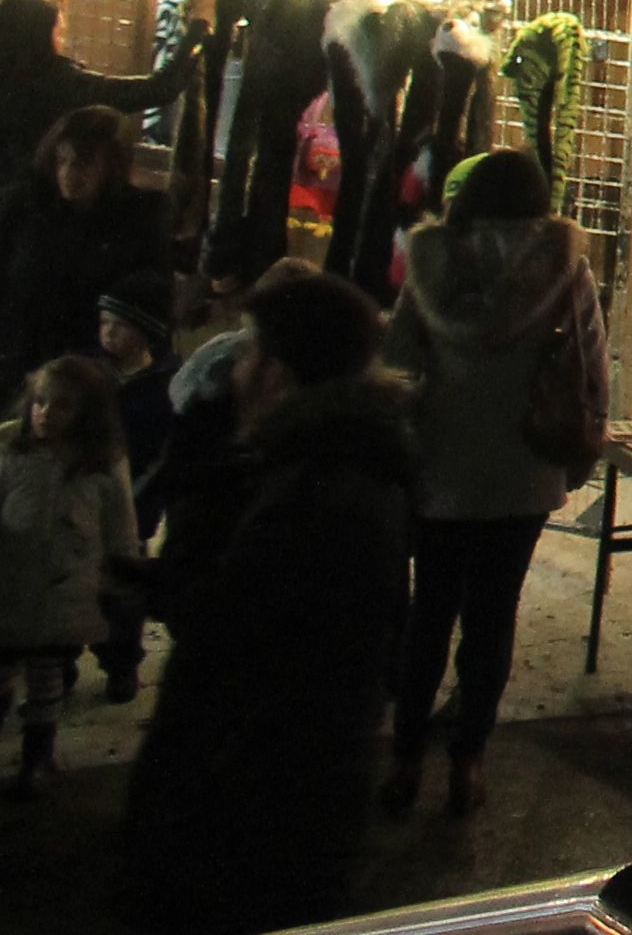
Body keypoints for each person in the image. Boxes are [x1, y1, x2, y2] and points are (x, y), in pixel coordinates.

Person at [120, 268, 418, 935]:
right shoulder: (336, 458)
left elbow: (224, 628)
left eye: (252, 354)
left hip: (252, 806)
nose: (237, 372)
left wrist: (196, 488)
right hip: (285, 795)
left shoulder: (317, 483)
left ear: (280, 374)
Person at [378, 148, 603, 820]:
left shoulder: (432, 261)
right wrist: (579, 457)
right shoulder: (567, 270)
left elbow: (395, 365)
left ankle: (405, 758)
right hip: (523, 474)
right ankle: (468, 762)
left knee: (430, 616)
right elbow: (591, 370)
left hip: (440, 471)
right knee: (491, 619)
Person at [3, 352, 135, 796]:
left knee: (45, 675)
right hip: (10, 581)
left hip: (66, 587)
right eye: (40, 402)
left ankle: (36, 757)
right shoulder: (11, 450)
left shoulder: (100, 465)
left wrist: (118, 571)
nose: (44, 413)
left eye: (60, 405)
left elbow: (120, 523)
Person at [4, 102, 173, 385]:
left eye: (83, 164)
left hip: (93, 371)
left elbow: (153, 298)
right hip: (17, 357)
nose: (69, 174)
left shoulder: (139, 217)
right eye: (62, 162)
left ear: (109, 167)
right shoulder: (25, 206)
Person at [0, 0, 197, 190]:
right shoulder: (61, 83)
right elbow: (159, 89)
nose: (61, 43)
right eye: (57, 34)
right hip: (33, 207)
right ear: (40, 37)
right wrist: (197, 29)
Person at [90, 272, 177, 701]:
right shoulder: (91, 377)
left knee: (121, 593)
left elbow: (162, 450)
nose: (107, 333)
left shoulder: (162, 386)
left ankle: (121, 662)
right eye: (103, 322)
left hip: (136, 501)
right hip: (88, 496)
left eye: (118, 325)